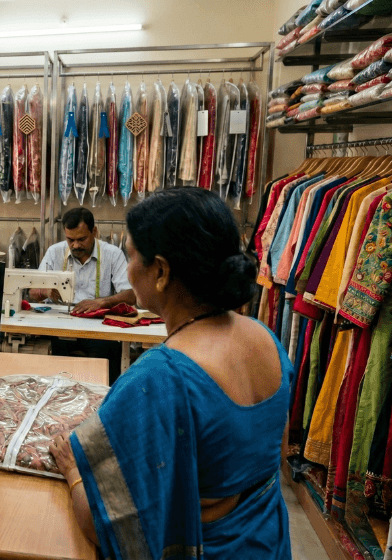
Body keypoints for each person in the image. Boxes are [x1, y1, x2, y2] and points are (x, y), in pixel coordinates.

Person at [50, 188, 294, 559]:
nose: (128, 269)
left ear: (161, 271)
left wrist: (72, 472)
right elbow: (273, 454)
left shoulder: (160, 380)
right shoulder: (265, 340)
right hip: (268, 545)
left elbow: (108, 528)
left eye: (131, 255)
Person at [31, 207, 136, 381]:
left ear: (94, 231)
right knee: (50, 365)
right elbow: (33, 292)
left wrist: (102, 302)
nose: (75, 245)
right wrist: (46, 290)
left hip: (98, 331)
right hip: (60, 328)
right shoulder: (55, 252)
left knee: (106, 365)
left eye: (81, 239)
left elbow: (131, 294)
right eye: (70, 240)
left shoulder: (112, 254)